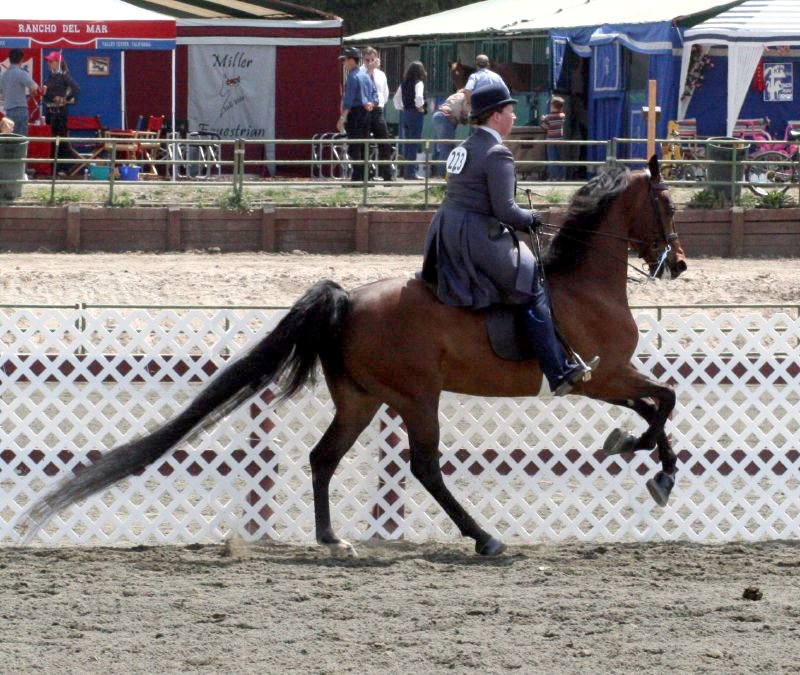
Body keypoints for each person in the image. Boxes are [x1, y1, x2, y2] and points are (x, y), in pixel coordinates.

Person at [420, 82, 598, 396]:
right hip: (475, 235)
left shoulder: (465, 146)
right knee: (531, 280)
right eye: (511, 111)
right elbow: (506, 211)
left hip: (445, 230)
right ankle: (558, 371)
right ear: (496, 115)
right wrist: (533, 218)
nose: (514, 117)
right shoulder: (497, 152)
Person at [337, 46, 377, 183]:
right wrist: (372, 103)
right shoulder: (366, 75)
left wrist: (342, 118)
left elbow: (348, 100)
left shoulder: (353, 77)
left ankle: (357, 175)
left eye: (345, 60)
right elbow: (374, 94)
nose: (343, 63)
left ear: (352, 60)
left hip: (355, 113)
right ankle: (367, 174)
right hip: (367, 113)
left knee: (354, 145)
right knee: (364, 144)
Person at [360, 47, 394, 182]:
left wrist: (380, 104)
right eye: (367, 60)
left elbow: (384, 94)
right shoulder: (361, 73)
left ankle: (386, 173)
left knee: (384, 141)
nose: (370, 62)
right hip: (364, 109)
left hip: (378, 109)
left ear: (377, 59)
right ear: (363, 60)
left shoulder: (381, 74)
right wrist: (369, 70)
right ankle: (367, 173)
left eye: (372, 60)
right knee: (365, 142)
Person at [393, 61, 427, 179]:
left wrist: (401, 108)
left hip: (406, 113)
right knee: (413, 143)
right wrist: (420, 107)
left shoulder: (404, 83)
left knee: (407, 143)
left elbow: (396, 98)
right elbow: (418, 97)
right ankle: (410, 173)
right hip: (415, 114)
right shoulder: (419, 83)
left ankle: (407, 171)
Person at [431, 88, 469, 177]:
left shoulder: (454, 96)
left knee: (440, 147)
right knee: (447, 147)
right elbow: (465, 115)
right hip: (446, 119)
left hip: (438, 116)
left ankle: (437, 173)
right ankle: (444, 175)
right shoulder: (465, 98)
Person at [0, 49, 39, 137]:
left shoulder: (4, 75)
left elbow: (1, 93)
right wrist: (31, 92)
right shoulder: (21, 73)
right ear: (22, 59)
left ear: (9, 59)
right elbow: (35, 86)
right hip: (20, 110)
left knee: (10, 139)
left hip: (9, 111)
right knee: (21, 138)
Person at [42, 51, 80, 138]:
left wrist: (65, 99)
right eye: (48, 61)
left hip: (59, 112)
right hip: (49, 111)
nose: (48, 63)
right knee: (51, 138)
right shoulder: (51, 76)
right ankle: (53, 152)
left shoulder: (64, 75)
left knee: (60, 138)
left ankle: (61, 152)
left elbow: (76, 88)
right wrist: (44, 92)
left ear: (58, 62)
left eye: (51, 61)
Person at [540, 95, 566, 180]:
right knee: (561, 158)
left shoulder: (549, 117)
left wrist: (543, 120)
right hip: (560, 140)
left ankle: (554, 176)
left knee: (552, 158)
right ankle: (562, 176)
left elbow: (544, 126)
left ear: (553, 106)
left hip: (551, 140)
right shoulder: (562, 116)